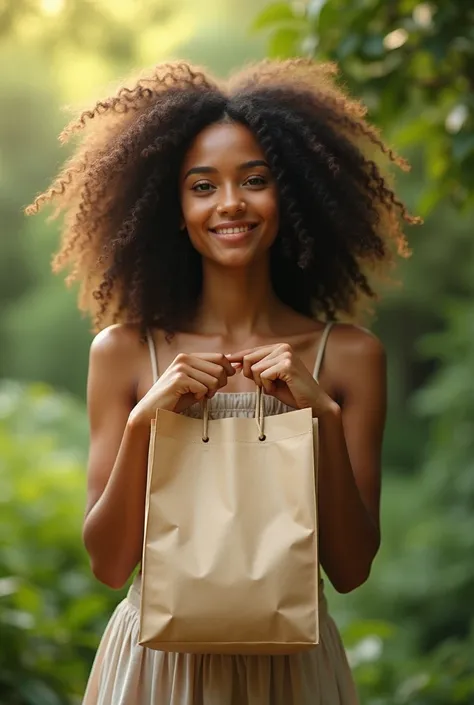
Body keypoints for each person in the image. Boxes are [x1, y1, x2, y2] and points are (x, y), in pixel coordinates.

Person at [27, 58, 420, 705]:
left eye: (254, 180)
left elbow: (350, 570)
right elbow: (107, 564)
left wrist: (318, 412)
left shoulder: (348, 357)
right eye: (202, 186)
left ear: (285, 197)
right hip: (156, 668)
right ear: (175, 208)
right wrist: (142, 420)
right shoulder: (126, 352)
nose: (230, 203)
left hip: (291, 669)